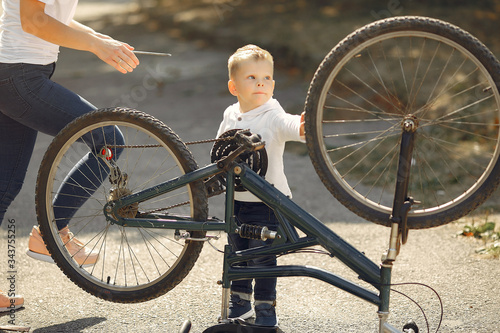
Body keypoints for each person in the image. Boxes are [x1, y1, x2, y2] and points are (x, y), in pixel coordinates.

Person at [0, 0, 140, 312]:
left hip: (17, 75)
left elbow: (53, 18)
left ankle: (49, 232)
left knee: (5, 184)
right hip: (20, 77)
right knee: (108, 139)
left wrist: (100, 40)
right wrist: (94, 46)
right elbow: (34, 21)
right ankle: (52, 231)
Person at [216, 44, 305, 327]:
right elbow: (219, 150)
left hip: (269, 204)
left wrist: (304, 126)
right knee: (239, 254)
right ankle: (240, 303)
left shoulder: (272, 115)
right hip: (237, 201)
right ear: (234, 86)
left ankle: (266, 308)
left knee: (263, 259)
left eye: (266, 78)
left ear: (273, 85)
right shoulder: (231, 113)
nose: (260, 83)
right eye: (252, 78)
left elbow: (290, 124)